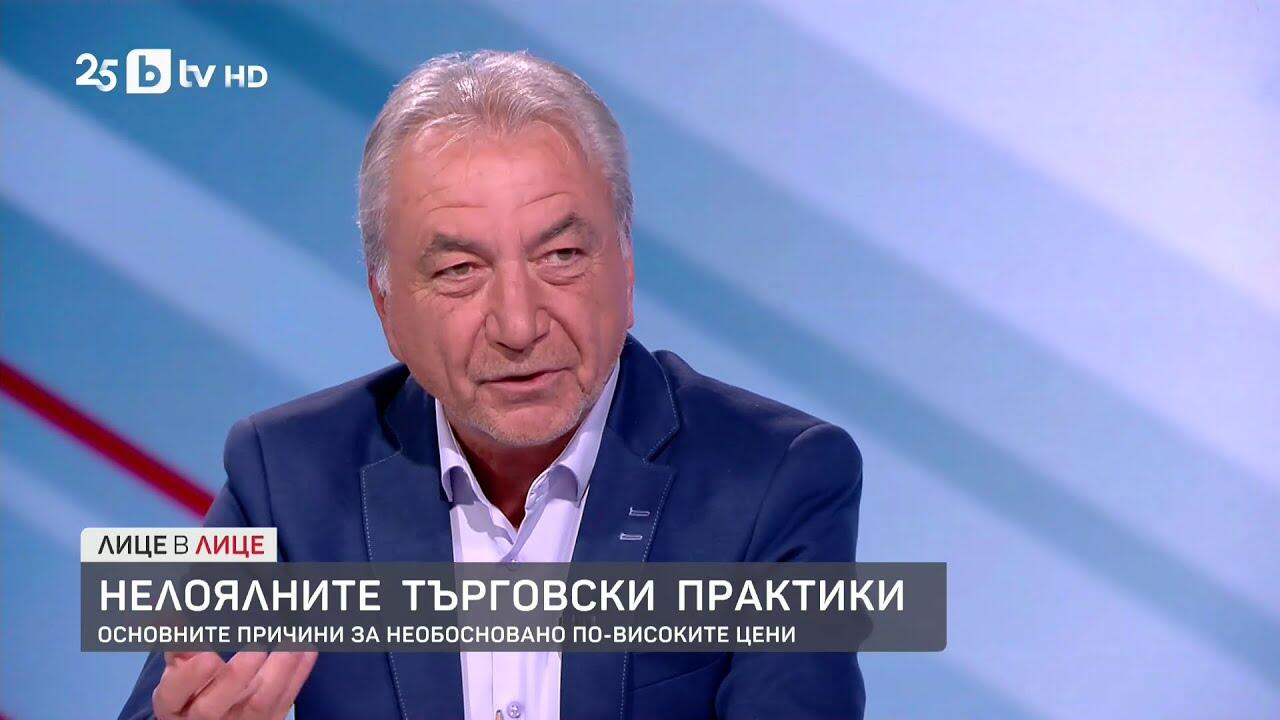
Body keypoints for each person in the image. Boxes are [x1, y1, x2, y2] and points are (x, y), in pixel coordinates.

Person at [120, 50, 865, 720]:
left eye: (562, 256)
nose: (518, 324)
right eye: (459, 270)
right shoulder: (285, 478)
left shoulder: (776, 479)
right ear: (385, 306)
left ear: (626, 268)